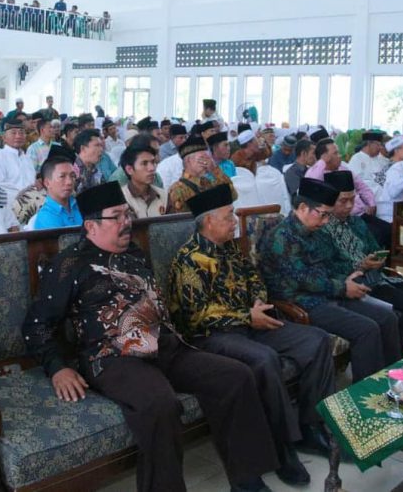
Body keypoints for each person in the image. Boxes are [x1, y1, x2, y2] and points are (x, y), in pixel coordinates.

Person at [23, 181, 279, 492]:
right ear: (91, 225)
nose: (126, 222)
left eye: (127, 214)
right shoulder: (68, 265)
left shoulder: (134, 253)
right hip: (113, 359)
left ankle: (247, 479)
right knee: (160, 406)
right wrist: (57, 367)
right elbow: (36, 325)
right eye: (116, 217)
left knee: (236, 376)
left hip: (166, 346)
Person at [169, 184, 335, 484]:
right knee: (265, 359)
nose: (235, 221)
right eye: (228, 216)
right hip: (214, 336)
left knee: (317, 340)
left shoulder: (231, 247)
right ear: (209, 221)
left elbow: (254, 278)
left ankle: (310, 426)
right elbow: (196, 315)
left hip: (253, 323)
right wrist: (248, 316)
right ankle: (284, 449)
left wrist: (257, 302)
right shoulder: (188, 259)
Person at [258, 177, 400, 381]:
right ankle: (367, 392)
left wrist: (349, 277)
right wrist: (343, 287)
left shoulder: (315, 231)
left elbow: (328, 265)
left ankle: (392, 381)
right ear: (303, 208)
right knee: (366, 329)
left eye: (328, 215)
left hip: (327, 294)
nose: (326, 221)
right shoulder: (282, 237)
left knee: (387, 318)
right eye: (323, 214)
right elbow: (304, 279)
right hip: (302, 302)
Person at [322, 170, 403, 352]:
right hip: (355, 284)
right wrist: (359, 265)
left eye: (352, 200)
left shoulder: (356, 222)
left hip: (377, 276)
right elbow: (328, 267)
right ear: (329, 200)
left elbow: (374, 247)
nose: (349, 206)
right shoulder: (322, 227)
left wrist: (377, 258)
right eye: (343, 201)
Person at [306, 134, 390, 248]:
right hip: (341, 218)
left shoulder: (344, 168)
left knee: (389, 229)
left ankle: (383, 258)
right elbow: (311, 186)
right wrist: (322, 163)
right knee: (376, 235)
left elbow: (362, 186)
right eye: (335, 153)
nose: (340, 156)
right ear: (325, 157)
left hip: (360, 213)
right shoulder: (316, 172)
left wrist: (371, 203)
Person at [167, 137, 237, 213]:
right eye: (202, 158)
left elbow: (233, 196)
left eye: (209, 158)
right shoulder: (178, 189)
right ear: (188, 161)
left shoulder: (207, 182)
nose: (207, 162)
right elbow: (179, 218)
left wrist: (215, 170)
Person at [33, 145, 82, 230]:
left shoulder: (80, 206)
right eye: (62, 176)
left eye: (72, 176)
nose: (69, 182)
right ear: (47, 183)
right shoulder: (46, 217)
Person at [120, 144, 167, 218]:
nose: (152, 168)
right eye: (144, 164)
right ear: (129, 169)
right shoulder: (121, 199)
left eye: (153, 162)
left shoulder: (164, 196)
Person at [0, 118, 36, 192]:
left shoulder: (27, 159)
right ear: (4, 138)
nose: (18, 136)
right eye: (13, 133)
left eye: (21, 133)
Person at [376, 135, 403, 222]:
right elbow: (392, 192)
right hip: (389, 214)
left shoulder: (402, 165)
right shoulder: (391, 168)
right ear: (396, 150)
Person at [347, 131, 389, 199]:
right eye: (378, 145)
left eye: (381, 145)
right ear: (369, 144)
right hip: (365, 199)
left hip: (384, 197)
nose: (380, 147)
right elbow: (356, 182)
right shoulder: (357, 159)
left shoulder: (381, 159)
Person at [73, 128, 106, 194]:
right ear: (83, 148)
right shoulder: (71, 171)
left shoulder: (97, 171)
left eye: (101, 146)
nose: (101, 149)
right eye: (97, 145)